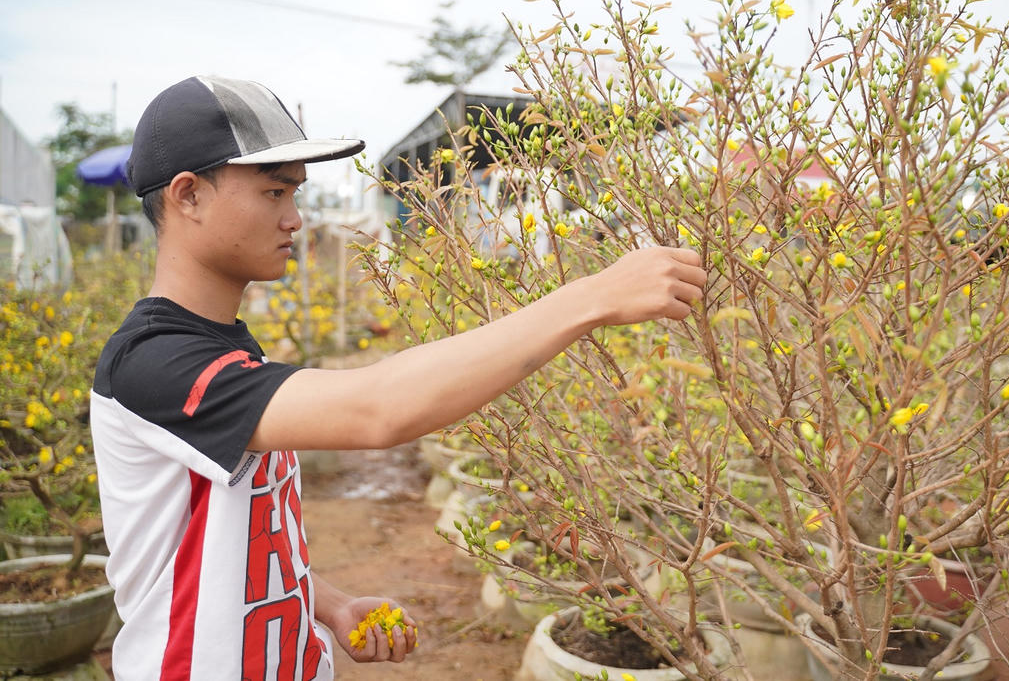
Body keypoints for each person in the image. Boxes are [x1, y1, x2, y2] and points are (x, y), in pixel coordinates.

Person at [89, 76, 706, 680]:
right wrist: (592, 296)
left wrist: (323, 605)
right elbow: (377, 408)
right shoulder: (153, 363)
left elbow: (240, 531)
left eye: (295, 196)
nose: (296, 220)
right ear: (188, 195)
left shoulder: (225, 347)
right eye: (275, 193)